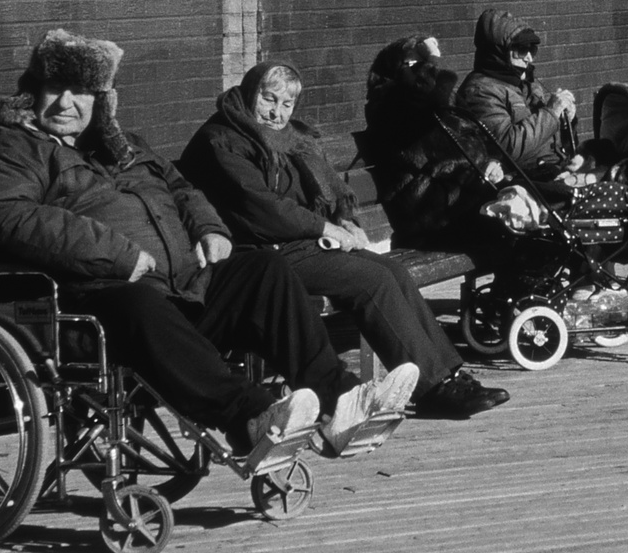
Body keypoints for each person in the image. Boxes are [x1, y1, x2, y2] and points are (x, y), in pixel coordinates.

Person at [0, 29, 415, 464]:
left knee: (263, 271)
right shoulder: (15, 148)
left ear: (99, 100)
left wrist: (209, 229)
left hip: (181, 290)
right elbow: (13, 216)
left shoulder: (122, 146)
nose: (66, 102)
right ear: (33, 93)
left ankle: (339, 404)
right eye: (55, 88)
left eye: (80, 92)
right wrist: (117, 253)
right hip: (98, 304)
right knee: (138, 301)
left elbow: (181, 189)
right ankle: (251, 417)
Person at [177, 61, 509, 419]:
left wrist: (342, 221)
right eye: (268, 100)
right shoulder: (222, 139)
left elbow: (310, 194)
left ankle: (449, 375)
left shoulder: (287, 138)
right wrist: (326, 229)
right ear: (249, 93)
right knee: (373, 281)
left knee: (392, 272)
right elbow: (261, 207)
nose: (276, 113)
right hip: (261, 253)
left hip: (297, 243)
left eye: (286, 105)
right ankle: (432, 390)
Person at [360, 34, 508, 248]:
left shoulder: (444, 103)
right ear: (394, 71)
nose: (425, 69)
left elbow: (480, 134)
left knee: (535, 208)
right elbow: (424, 98)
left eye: (425, 64)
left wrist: (493, 162)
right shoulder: (388, 105)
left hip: (465, 198)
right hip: (430, 213)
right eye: (415, 64)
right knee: (511, 228)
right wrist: (432, 58)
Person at [455, 8, 580, 184]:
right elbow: (507, 147)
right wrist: (551, 112)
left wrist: (566, 120)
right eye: (521, 50)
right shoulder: (481, 91)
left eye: (532, 49)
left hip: (557, 168)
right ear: (498, 52)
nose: (529, 58)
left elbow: (546, 135)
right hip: (527, 179)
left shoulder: (526, 83)